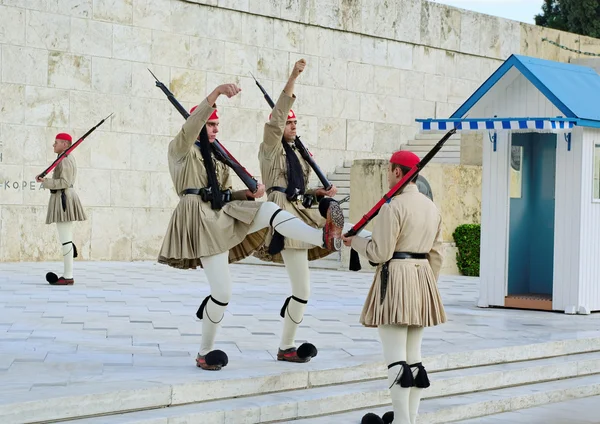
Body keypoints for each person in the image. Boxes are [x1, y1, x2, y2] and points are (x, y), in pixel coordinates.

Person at [156, 83, 344, 371]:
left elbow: (225, 193)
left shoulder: (218, 158)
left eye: (217, 124)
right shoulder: (180, 149)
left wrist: (251, 194)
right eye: (211, 124)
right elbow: (191, 127)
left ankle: (322, 236)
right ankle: (205, 351)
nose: (216, 129)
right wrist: (216, 93)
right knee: (222, 293)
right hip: (198, 219)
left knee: (268, 208)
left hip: (221, 214)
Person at [342, 150, 446, 424]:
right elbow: (437, 254)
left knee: (396, 358)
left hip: (396, 278)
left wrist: (357, 243)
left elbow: (380, 252)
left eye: (389, 170)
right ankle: (410, 418)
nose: (387, 175)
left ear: (398, 172)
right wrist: (425, 285)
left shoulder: (392, 206)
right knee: (414, 358)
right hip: (422, 278)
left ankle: (401, 420)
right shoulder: (431, 207)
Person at [254, 58, 344, 363]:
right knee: (302, 288)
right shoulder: (270, 146)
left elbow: (300, 190)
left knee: (303, 289)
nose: (293, 126)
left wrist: (319, 192)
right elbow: (276, 117)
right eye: (289, 123)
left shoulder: (297, 155)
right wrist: (293, 76)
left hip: (297, 209)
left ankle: (287, 344)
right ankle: (286, 346)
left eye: (296, 123)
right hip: (280, 212)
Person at [36, 133, 87, 286]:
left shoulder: (65, 160)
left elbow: (65, 182)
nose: (53, 145)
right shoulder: (64, 158)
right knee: (66, 239)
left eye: (56, 142)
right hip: (63, 197)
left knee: (65, 240)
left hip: (64, 199)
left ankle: (68, 276)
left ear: (65, 144)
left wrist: (46, 182)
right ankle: (68, 273)